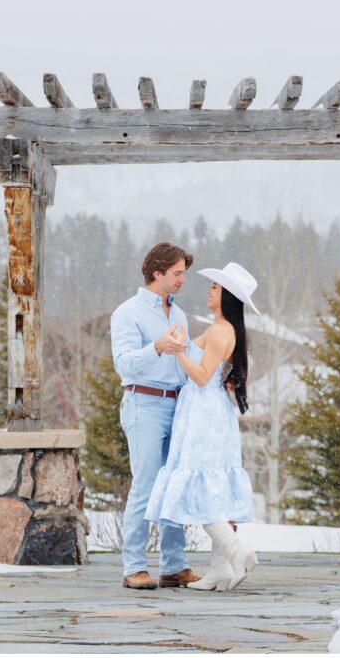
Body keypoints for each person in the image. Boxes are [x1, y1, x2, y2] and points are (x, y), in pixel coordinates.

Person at [145, 262, 259, 592]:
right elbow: (197, 353)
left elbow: (201, 375)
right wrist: (182, 343)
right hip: (202, 411)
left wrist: (180, 354)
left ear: (227, 297)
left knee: (201, 485)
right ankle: (220, 569)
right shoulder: (219, 327)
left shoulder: (223, 331)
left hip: (204, 413)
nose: (209, 290)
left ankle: (238, 552)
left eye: (215, 287)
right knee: (211, 486)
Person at [110, 242, 201, 590]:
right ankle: (134, 567)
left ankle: (174, 566)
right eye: (177, 273)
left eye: (183, 274)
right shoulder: (127, 313)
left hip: (177, 404)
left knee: (174, 485)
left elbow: (185, 360)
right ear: (156, 272)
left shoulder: (178, 316)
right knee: (146, 486)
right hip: (143, 404)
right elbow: (124, 363)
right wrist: (157, 347)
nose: (182, 280)